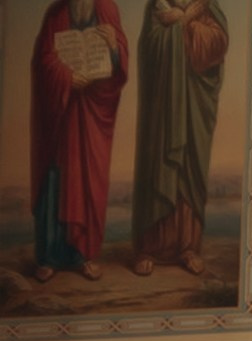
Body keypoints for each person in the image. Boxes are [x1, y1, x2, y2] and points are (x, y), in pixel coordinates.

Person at [30, 0, 129, 284]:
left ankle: (83, 256)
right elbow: (43, 62)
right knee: (56, 181)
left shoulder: (107, 9)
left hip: (91, 114)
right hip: (60, 119)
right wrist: (67, 77)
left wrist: (113, 46)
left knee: (88, 180)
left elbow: (121, 64)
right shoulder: (57, 13)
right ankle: (48, 258)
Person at [130, 0, 229, 278]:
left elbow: (219, 43)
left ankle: (188, 248)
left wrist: (184, 22)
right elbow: (149, 49)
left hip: (195, 104)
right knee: (159, 165)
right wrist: (182, 23)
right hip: (163, 107)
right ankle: (148, 249)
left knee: (189, 168)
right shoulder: (157, 5)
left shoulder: (205, 4)